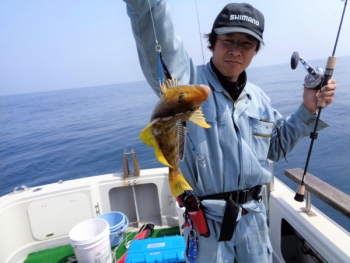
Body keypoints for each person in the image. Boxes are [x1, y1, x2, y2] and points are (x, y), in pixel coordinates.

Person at [124, 1, 336, 262]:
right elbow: (159, 43)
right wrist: (146, 5)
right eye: (228, 40)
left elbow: (276, 148)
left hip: (254, 221)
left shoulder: (259, 99)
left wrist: (308, 108)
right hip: (207, 224)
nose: (236, 50)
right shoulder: (187, 82)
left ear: (255, 50)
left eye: (246, 44)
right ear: (213, 42)